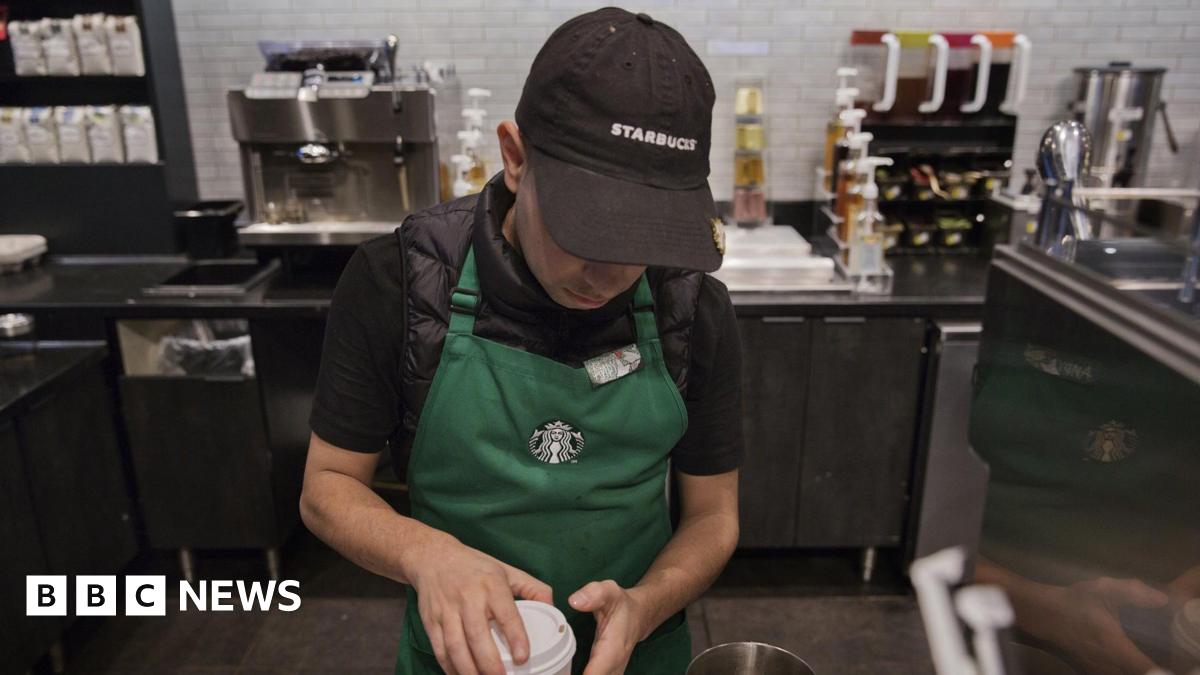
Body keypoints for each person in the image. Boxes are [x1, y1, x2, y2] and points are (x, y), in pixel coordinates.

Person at [300, 8, 743, 675]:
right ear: (515, 157)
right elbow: (327, 485)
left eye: (645, 242)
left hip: (638, 655)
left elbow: (713, 515)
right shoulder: (401, 282)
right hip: (461, 659)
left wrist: (648, 604)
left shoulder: (691, 306)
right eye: (590, 232)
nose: (612, 277)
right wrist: (427, 554)